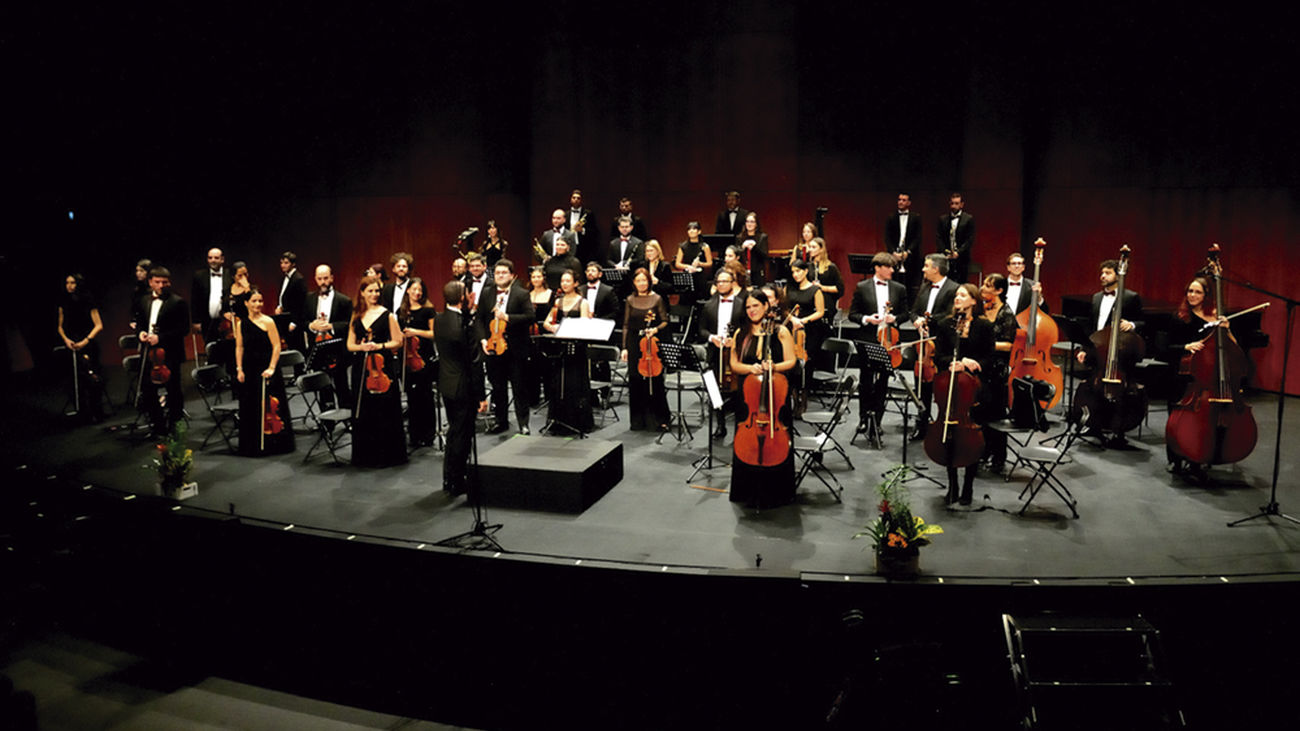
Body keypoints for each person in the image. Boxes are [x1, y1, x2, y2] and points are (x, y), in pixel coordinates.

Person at [729, 290, 797, 508]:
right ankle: (746, 491)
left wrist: (773, 366)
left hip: (775, 395)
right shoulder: (741, 333)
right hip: (748, 396)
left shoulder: (780, 331)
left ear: (766, 306)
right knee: (745, 438)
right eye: (748, 307)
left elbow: (791, 361)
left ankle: (776, 493)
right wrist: (750, 368)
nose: (752, 310)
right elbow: (734, 364)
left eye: (756, 306)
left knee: (777, 438)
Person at [930, 283, 995, 506]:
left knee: (971, 438)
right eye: (956, 295)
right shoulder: (945, 324)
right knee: (949, 434)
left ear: (974, 301)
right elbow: (939, 356)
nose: (957, 298)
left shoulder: (984, 326)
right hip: (949, 386)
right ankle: (952, 484)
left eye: (963, 295)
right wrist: (953, 362)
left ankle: (968, 485)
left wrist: (972, 364)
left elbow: (990, 358)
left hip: (975, 388)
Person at [1165, 276, 1225, 475]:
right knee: (1177, 420)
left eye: (1197, 292)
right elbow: (1164, 348)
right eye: (1190, 291)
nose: (1192, 295)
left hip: (1206, 378)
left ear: (1206, 295)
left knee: (1201, 421)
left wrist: (1226, 328)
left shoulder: (1214, 319)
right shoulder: (1179, 317)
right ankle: (1175, 459)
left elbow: (1229, 345)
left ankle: (1197, 457)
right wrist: (1186, 346)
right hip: (1181, 376)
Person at [347, 275, 407, 467]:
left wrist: (379, 346)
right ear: (362, 293)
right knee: (364, 409)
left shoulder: (387, 315)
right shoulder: (356, 315)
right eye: (370, 291)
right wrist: (362, 347)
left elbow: (398, 341)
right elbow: (350, 345)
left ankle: (388, 456)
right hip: (362, 367)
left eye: (377, 291)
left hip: (382, 367)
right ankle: (366, 456)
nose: (374, 294)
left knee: (384, 409)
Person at [435, 280, 488, 494]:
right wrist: (481, 396)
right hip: (463, 387)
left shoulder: (439, 319)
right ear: (461, 298)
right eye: (466, 294)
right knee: (462, 435)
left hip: (447, 383)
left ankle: (449, 478)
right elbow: (475, 364)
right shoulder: (464, 328)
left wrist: (470, 309)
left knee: (454, 431)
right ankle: (457, 481)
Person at [849, 253, 908, 434]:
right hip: (868, 339)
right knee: (866, 380)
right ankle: (863, 418)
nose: (892, 270)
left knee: (883, 381)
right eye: (888, 267)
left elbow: (906, 314)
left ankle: (878, 421)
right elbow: (853, 314)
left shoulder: (899, 288)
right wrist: (867, 319)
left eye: (892, 267)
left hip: (889, 341)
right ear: (877, 268)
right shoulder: (862, 287)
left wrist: (895, 318)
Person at [476, 259, 533, 435]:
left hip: (515, 347)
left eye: (504, 273)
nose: (500, 276)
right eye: (497, 273)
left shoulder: (521, 293)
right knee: (498, 387)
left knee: (519, 387)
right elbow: (479, 319)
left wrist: (507, 317)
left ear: (511, 275)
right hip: (493, 347)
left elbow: (530, 317)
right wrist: (483, 339)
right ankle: (501, 421)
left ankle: (523, 423)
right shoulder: (487, 293)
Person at [235, 287, 294, 456]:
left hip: (267, 367)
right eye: (254, 301)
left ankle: (275, 443)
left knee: (272, 405)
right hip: (249, 369)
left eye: (260, 301)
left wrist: (272, 368)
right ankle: (252, 446)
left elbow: (277, 346)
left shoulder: (268, 321)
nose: (258, 304)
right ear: (246, 303)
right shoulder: (241, 324)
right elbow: (239, 347)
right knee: (251, 406)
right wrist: (239, 369)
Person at [910, 253, 960, 439]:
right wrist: (916, 320)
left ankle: (943, 426)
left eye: (926, 265)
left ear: (936, 269)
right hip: (922, 345)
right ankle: (921, 424)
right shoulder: (925, 286)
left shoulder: (953, 288)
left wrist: (928, 321)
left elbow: (949, 315)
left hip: (941, 344)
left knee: (942, 388)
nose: (923, 269)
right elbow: (914, 311)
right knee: (921, 387)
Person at [137, 266, 189, 437]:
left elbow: (183, 329)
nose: (161, 285)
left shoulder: (178, 302)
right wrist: (141, 333)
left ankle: (175, 426)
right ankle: (158, 426)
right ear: (150, 282)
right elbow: (140, 323)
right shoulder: (144, 301)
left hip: (170, 352)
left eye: (164, 282)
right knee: (148, 391)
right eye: (157, 282)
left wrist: (160, 338)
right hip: (149, 353)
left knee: (173, 390)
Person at [542, 270, 594, 435]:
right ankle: (559, 421)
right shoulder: (558, 302)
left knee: (575, 383)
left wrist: (570, 327)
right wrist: (553, 327)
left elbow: (585, 325)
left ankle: (577, 422)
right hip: (560, 348)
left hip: (577, 349)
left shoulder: (583, 302)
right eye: (562, 281)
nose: (564, 284)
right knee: (559, 383)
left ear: (575, 283)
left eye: (568, 281)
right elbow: (546, 323)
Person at [621, 268, 671, 431]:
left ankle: (659, 418)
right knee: (635, 380)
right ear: (634, 283)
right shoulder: (630, 299)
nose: (641, 283)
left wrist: (655, 329)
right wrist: (624, 348)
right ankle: (638, 420)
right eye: (638, 281)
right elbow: (626, 325)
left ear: (649, 281)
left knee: (655, 381)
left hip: (651, 342)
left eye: (644, 280)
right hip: (634, 343)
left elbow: (665, 321)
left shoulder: (657, 299)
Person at [700, 270, 749, 439]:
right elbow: (701, 330)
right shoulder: (708, 305)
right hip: (715, 352)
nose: (721, 284)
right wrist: (712, 338)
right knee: (714, 390)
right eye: (719, 281)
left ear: (732, 283)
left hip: (736, 352)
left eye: (725, 281)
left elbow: (747, 328)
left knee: (738, 390)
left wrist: (734, 340)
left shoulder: (742, 304)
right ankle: (720, 425)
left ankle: (741, 426)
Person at [979, 273, 1018, 473]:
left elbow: (1009, 345)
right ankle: (982, 451)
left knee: (995, 414)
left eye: (988, 285)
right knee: (981, 413)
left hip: (997, 370)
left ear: (999, 291)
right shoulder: (983, 309)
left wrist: (987, 344)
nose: (983, 288)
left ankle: (998, 456)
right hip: (982, 366)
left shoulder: (1006, 313)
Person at [302, 264, 353, 408]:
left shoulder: (344, 300)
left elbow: (349, 324)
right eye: (320, 279)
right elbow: (302, 321)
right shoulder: (308, 299)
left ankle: (346, 415)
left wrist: (331, 326)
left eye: (325, 278)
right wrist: (311, 326)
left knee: (341, 384)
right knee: (322, 387)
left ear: (332, 278)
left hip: (337, 348)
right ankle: (326, 417)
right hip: (317, 348)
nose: (323, 282)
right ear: (315, 279)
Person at [57, 273, 105, 420]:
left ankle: (96, 410)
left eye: (72, 283)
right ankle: (82, 411)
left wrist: (86, 341)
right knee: (74, 380)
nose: (69, 286)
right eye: (67, 283)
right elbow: (60, 326)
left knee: (92, 378)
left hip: (87, 341)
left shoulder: (88, 300)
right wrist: (66, 340)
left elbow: (99, 325)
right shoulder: (63, 301)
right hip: (71, 342)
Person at [399, 277, 439, 448]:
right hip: (407, 359)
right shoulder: (401, 311)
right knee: (412, 398)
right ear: (408, 290)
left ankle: (428, 434)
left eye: (420, 290)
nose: (417, 293)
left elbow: (434, 333)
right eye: (414, 289)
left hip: (424, 358)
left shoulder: (428, 310)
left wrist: (415, 332)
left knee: (426, 396)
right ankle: (414, 434)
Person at [784, 260, 827, 415]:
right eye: (793, 272)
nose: (795, 275)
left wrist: (803, 320)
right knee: (791, 363)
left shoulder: (815, 290)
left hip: (810, 330)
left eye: (798, 271)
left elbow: (820, 312)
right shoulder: (789, 288)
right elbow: (784, 308)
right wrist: (792, 319)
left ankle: (804, 399)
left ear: (806, 271)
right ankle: (794, 398)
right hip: (791, 328)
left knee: (806, 365)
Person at [526, 267, 555, 406]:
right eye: (533, 277)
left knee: (547, 366)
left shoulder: (551, 294)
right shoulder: (527, 295)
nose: (536, 279)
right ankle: (533, 397)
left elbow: (553, 314)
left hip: (545, 333)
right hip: (530, 334)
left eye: (538, 277)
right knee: (531, 367)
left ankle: (550, 397)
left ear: (543, 278)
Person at [886, 193, 922, 302]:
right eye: (899, 200)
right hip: (894, 256)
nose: (901, 202)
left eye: (904, 200)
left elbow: (918, 237)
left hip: (910, 257)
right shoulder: (891, 217)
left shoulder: (916, 218)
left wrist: (908, 252)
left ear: (909, 203)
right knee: (894, 284)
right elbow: (887, 238)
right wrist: (893, 253)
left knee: (910, 285)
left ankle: (909, 306)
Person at [191, 247, 230, 343]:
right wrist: (196, 321)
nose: (213, 260)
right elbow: (195, 300)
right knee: (210, 347)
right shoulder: (199, 276)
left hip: (226, 322)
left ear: (222, 259)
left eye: (216, 258)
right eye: (210, 258)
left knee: (228, 347)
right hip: (207, 321)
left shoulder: (230, 275)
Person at [937, 193, 976, 283]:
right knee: (946, 282)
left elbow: (969, 239)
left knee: (961, 282)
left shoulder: (968, 219)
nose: (954, 206)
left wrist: (958, 252)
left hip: (962, 257)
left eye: (956, 203)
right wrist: (946, 252)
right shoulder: (943, 219)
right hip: (946, 257)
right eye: (952, 203)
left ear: (962, 204)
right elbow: (939, 238)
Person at [805, 236, 844, 322]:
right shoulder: (807, 266)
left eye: (813, 247)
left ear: (821, 249)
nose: (810, 249)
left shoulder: (831, 267)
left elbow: (839, 289)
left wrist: (821, 287)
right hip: (810, 301)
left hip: (826, 301)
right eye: (810, 247)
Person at [674, 221, 713, 302]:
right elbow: (677, 264)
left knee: (700, 299)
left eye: (694, 229)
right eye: (689, 229)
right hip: (688, 277)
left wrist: (700, 264)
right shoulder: (683, 246)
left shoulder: (705, 246)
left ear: (699, 231)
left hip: (700, 277)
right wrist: (688, 266)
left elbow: (710, 263)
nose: (691, 231)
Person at [275, 251, 307, 340]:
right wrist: (280, 306)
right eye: (281, 263)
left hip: (294, 321)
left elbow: (301, 303)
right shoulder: (284, 278)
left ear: (293, 264)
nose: (283, 265)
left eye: (286, 263)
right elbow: (283, 296)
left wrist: (294, 322)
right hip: (285, 317)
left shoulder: (298, 279)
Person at [1004, 252, 1046, 316]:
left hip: (1023, 322)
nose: (1017, 266)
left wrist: (1039, 297)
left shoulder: (1032, 285)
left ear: (1023, 267)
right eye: (1013, 263)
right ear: (1008, 267)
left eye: (1019, 263)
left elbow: (1044, 310)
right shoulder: (1000, 284)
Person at [735, 211, 769, 286]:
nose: (749, 224)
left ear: (756, 224)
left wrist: (754, 247)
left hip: (757, 271)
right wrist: (742, 247)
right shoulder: (740, 237)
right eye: (747, 221)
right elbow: (736, 254)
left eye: (752, 222)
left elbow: (764, 256)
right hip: (743, 270)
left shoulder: (762, 237)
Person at [566, 189, 600, 265]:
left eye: (578, 198)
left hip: (583, 247)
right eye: (574, 198)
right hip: (569, 246)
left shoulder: (588, 213)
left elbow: (595, 231)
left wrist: (583, 230)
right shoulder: (566, 214)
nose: (576, 200)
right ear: (570, 199)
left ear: (581, 200)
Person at [129, 258, 152, 331]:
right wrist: (133, 320)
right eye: (137, 270)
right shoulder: (137, 289)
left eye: (141, 271)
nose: (138, 273)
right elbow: (135, 307)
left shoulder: (153, 289)